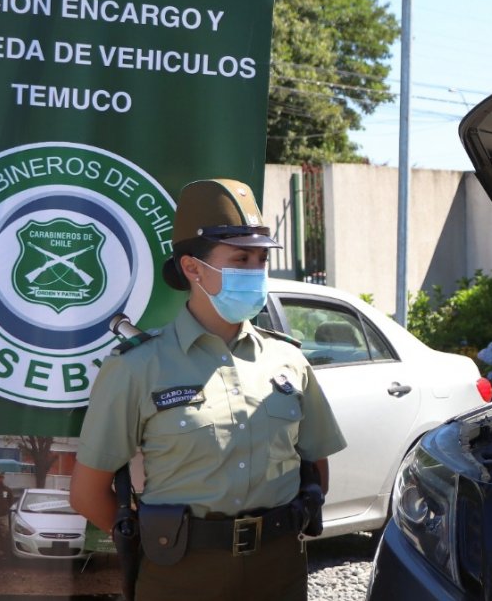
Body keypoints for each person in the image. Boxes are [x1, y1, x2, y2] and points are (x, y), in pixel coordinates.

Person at [70, 178, 347, 601]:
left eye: (260, 260)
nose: (255, 272)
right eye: (240, 259)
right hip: (180, 573)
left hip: (279, 568)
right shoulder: (138, 367)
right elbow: (88, 493)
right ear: (193, 268)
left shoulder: (288, 359)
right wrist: (164, 541)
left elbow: (316, 470)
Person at [0, 472, 12, 560]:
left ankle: (4, 553)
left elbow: (11, 500)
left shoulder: (7, 490)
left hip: (3, 516)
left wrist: (6, 509)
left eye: (1, 477)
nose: (0, 479)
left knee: (5, 533)